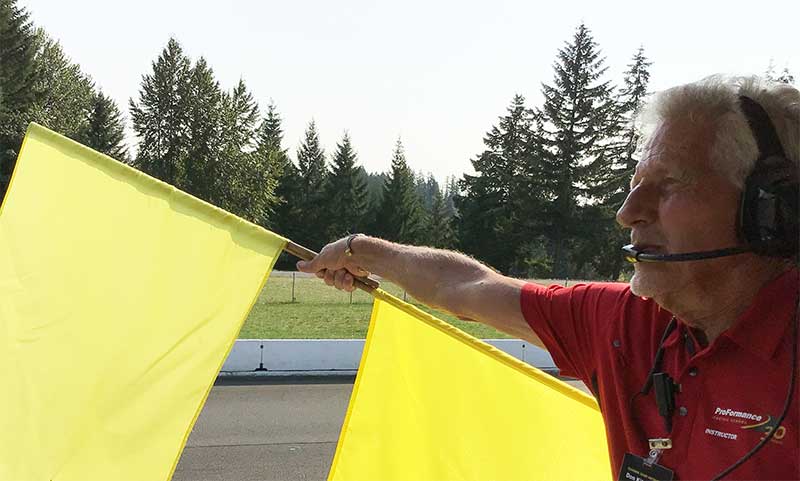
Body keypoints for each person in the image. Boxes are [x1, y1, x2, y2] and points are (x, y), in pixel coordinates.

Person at [297, 75, 799, 480]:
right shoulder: (627, 324)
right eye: (632, 185)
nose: (626, 213)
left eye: (668, 185)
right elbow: (468, 287)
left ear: (771, 209)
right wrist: (363, 251)